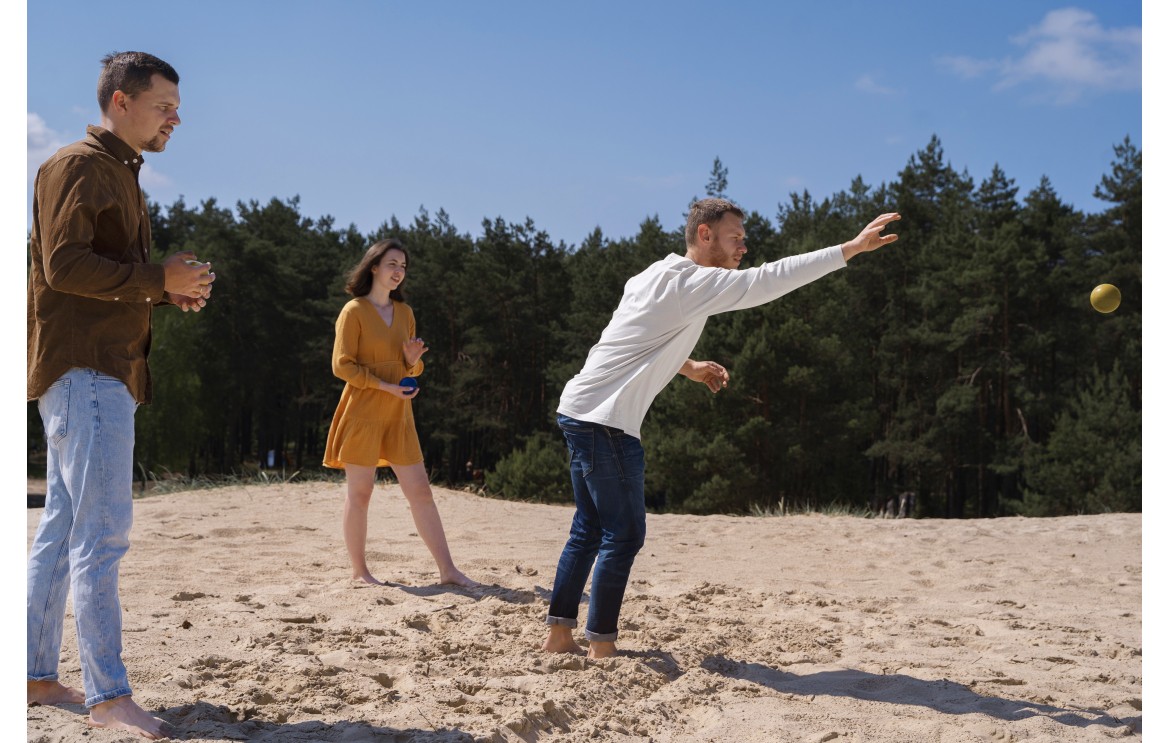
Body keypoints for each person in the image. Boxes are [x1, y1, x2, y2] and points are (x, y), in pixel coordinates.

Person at [542, 198, 900, 658]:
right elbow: (769, 281)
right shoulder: (694, 281)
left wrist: (687, 366)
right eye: (736, 238)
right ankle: (602, 647)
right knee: (624, 534)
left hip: (580, 410)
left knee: (589, 528)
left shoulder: (655, 274)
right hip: (605, 422)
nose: (744, 248)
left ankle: (559, 636)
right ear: (705, 235)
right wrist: (848, 249)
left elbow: (632, 339)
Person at [27, 51, 215, 739]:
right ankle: (108, 695)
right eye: (163, 103)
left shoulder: (118, 174)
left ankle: (34, 675)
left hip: (91, 371)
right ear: (120, 103)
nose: (176, 116)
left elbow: (104, 275)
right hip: (88, 373)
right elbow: (64, 265)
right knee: (100, 537)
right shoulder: (80, 165)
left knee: (61, 533)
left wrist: (166, 289)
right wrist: (153, 278)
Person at [323, 239, 476, 588]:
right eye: (392, 264)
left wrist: (411, 362)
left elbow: (413, 367)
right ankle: (360, 573)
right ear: (373, 267)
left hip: (399, 412)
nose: (398, 272)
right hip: (363, 409)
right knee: (360, 493)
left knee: (421, 491)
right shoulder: (353, 311)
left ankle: (448, 570)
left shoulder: (405, 313)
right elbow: (341, 366)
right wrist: (385, 386)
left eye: (403, 267)